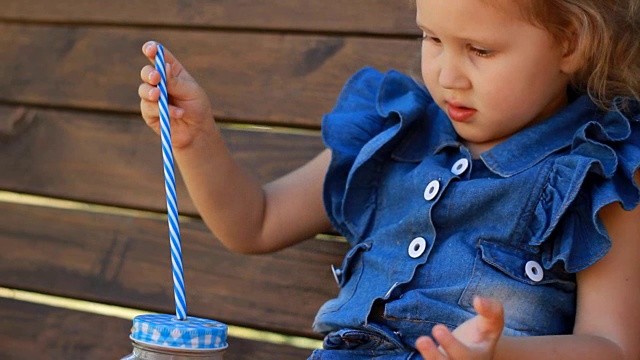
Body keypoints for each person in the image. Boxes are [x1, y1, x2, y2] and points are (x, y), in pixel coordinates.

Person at [138, 0, 640, 358]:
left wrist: (499, 353)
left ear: (570, 43)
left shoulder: (599, 169)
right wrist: (195, 138)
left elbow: (614, 346)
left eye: (480, 51)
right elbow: (255, 223)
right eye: (433, 39)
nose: (447, 74)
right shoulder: (394, 134)